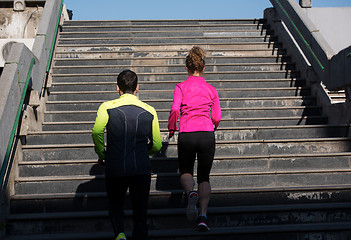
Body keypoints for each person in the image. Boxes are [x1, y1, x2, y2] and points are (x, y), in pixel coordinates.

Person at [92, 70, 162, 240]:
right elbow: (157, 144)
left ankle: (120, 234)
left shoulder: (106, 107)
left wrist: (103, 154)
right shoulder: (150, 110)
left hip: (115, 164)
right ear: (137, 88)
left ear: (118, 88)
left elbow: (96, 131)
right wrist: (145, 152)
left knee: (116, 204)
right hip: (141, 167)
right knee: (141, 211)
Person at [168, 46, 221, 232]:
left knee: (186, 171)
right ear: (203, 68)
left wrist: (172, 126)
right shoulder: (211, 89)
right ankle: (203, 217)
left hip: (187, 133)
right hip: (206, 133)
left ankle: (191, 193)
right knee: (204, 177)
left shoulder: (181, 87)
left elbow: (175, 109)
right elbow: (217, 116)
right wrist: (211, 126)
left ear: (187, 68)